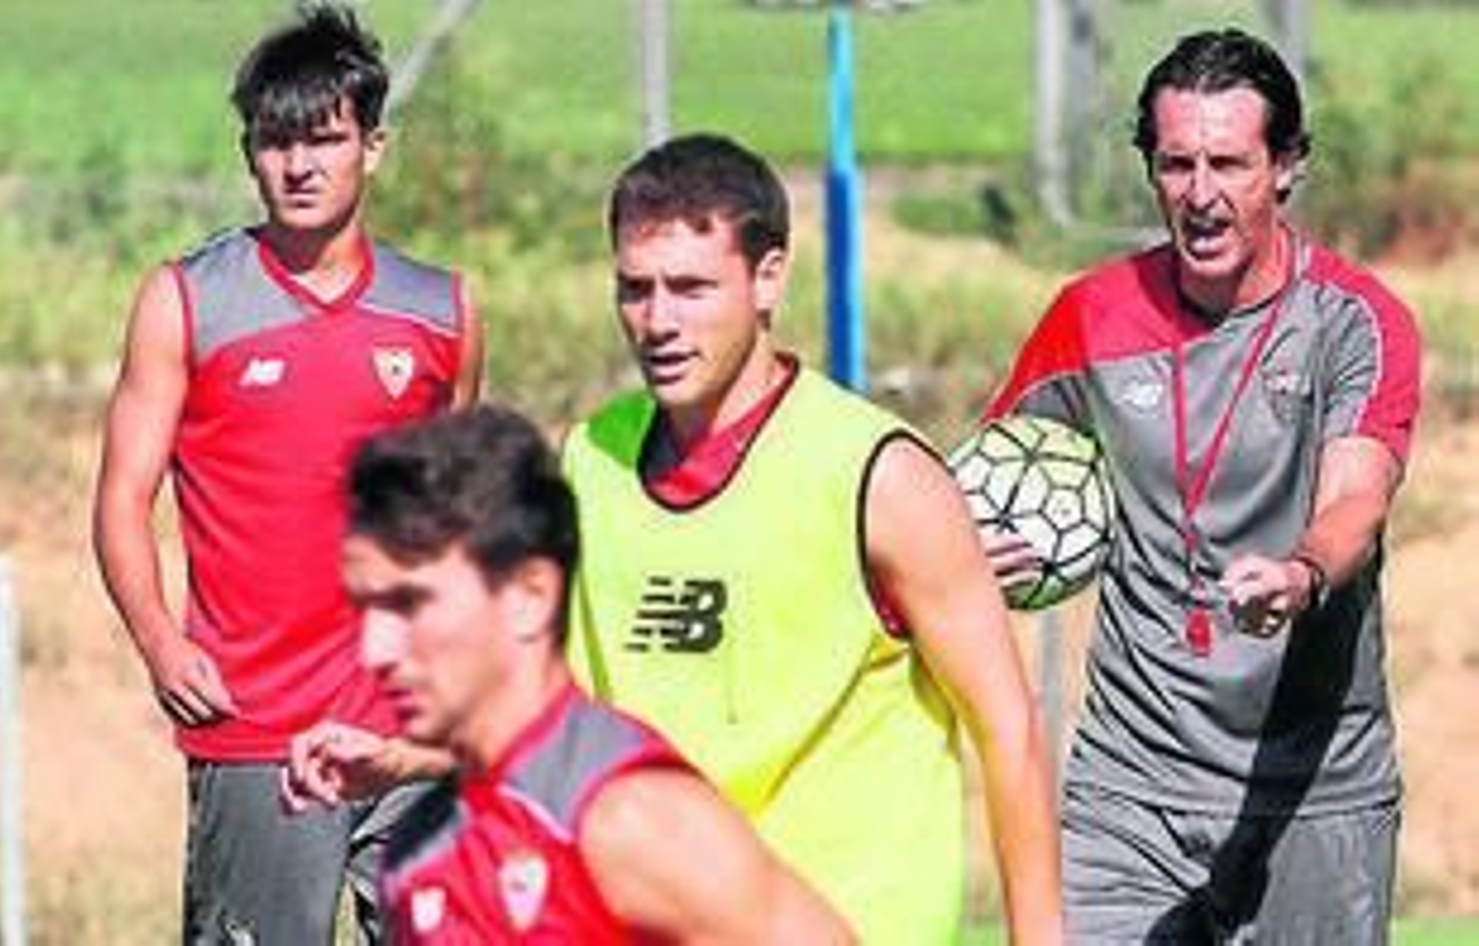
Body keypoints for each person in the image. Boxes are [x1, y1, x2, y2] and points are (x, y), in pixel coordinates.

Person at [562, 132, 1063, 943]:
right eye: (635, 289)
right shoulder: (592, 459)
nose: (657, 321)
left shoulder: (881, 477)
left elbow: (1008, 728)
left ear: (768, 279)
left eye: (690, 288)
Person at [983, 28, 1422, 943]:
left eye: (1229, 162)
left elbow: (1356, 504)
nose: (1201, 194)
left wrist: (1299, 575)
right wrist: (966, 555)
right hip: (1127, 793)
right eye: (1176, 164)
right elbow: (981, 480)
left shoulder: (1355, 324)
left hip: (1315, 793)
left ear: (1288, 166)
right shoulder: (1088, 318)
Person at [91, 4, 482, 942]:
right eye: (276, 142)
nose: (299, 165)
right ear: (248, 152)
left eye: (324, 138)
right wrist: (159, 642)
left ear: (372, 147)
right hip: (260, 728)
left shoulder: (443, 311)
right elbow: (120, 499)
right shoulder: (186, 301)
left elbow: (459, 520)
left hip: (410, 729)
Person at [284, 405, 854, 943]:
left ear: (530, 596)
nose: (376, 648)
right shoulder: (418, 850)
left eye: (411, 604)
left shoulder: (631, 821)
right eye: (366, 608)